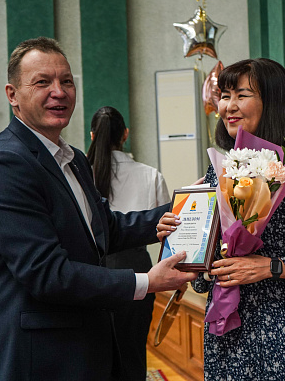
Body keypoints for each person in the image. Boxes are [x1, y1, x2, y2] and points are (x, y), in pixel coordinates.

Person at [0, 36, 196, 381]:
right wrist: (146, 282)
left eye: (66, 81)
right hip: (38, 360)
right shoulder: (4, 164)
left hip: (86, 349)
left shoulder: (73, 158)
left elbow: (104, 228)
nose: (59, 92)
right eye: (42, 82)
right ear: (12, 95)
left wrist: (185, 209)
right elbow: (47, 273)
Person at [158, 58, 285, 380]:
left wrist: (272, 266)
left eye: (241, 95)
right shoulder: (219, 171)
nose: (228, 106)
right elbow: (206, 263)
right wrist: (180, 237)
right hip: (227, 330)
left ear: (272, 101)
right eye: (225, 95)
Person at [87, 106, 171, 380]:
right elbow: (167, 230)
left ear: (92, 136)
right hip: (139, 269)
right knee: (132, 353)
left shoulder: (81, 176)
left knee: (95, 354)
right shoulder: (150, 174)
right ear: (125, 134)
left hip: (93, 269)